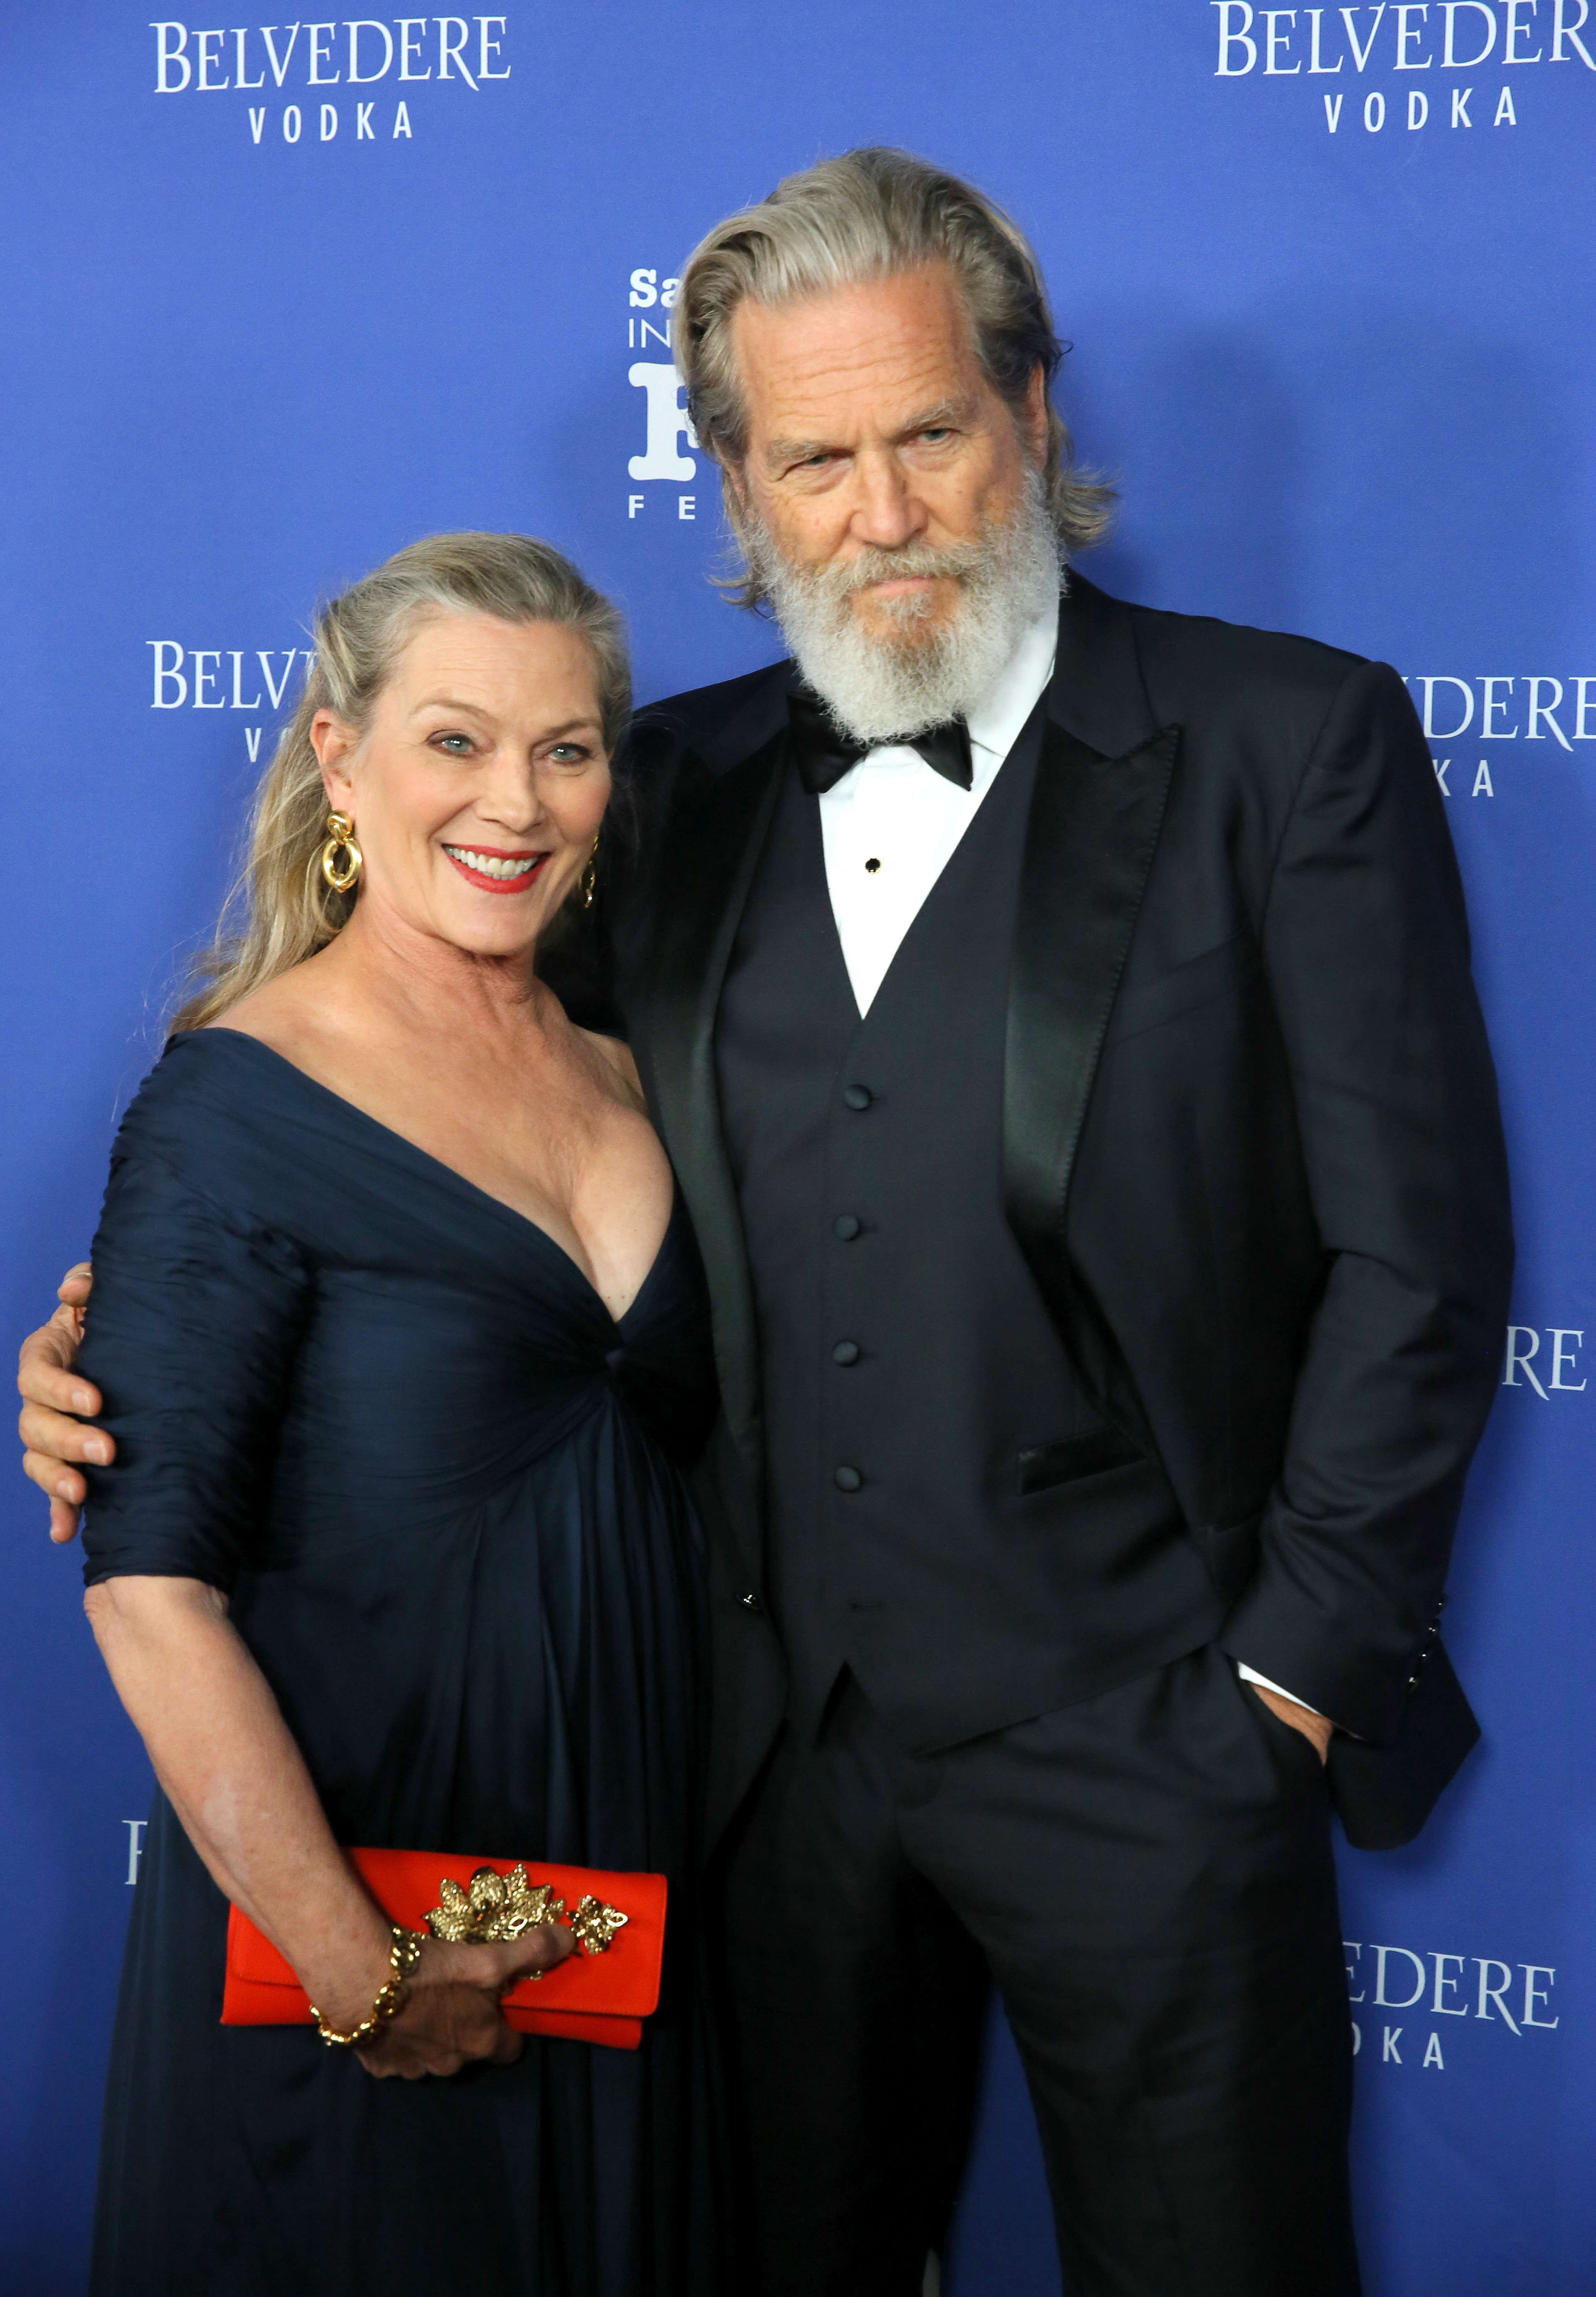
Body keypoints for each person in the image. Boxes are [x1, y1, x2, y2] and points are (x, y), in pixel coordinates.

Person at [20, 152, 1512, 2297]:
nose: (882, 512)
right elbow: (458, 1166)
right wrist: (117, 1360)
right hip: (746, 1779)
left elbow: (1419, 1254)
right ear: (736, 479)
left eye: (927, 432)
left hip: (1149, 1744)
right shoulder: (663, 787)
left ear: (1034, 417)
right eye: (813, 457)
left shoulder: (1289, 745)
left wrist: (1277, 1680)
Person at [24, 533, 727, 2297]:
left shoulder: (634, 1064)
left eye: (567, 748)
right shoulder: (233, 1103)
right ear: (341, 757)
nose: (518, 799)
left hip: (628, 1904)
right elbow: (151, 1590)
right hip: (360, 1933)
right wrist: (362, 1970)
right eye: (456, 740)